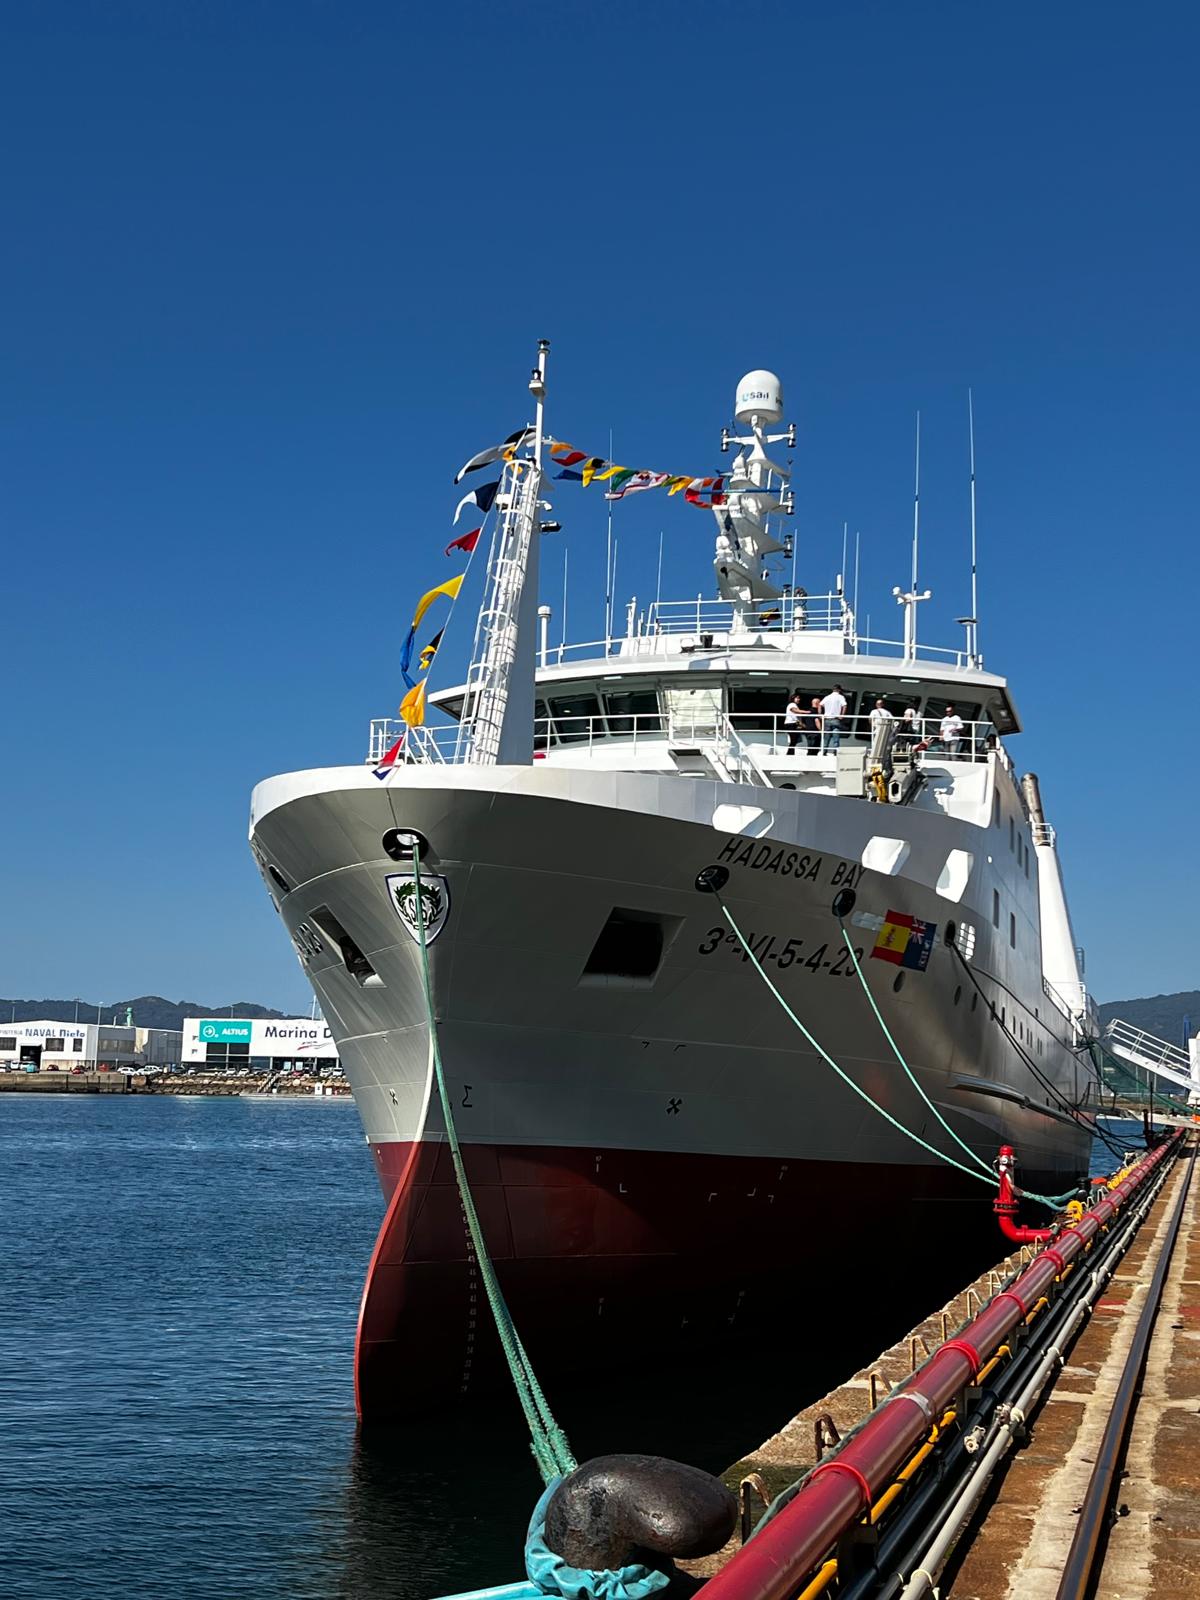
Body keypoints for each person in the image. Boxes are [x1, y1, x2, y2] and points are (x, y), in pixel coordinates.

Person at [820, 684, 847, 751]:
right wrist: (842, 715)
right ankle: (835, 752)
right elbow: (844, 705)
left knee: (826, 737)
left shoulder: (827, 697)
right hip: (835, 719)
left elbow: (820, 705)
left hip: (827, 719)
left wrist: (820, 715)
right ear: (839, 690)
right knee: (836, 737)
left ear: (833, 689)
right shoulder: (840, 697)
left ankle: (824, 751)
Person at [783, 690, 804, 754]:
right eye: (797, 698)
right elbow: (795, 711)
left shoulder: (795, 705)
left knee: (794, 740)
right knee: (793, 739)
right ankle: (790, 753)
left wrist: (800, 725)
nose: (799, 699)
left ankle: (791, 753)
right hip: (790, 724)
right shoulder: (792, 704)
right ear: (793, 698)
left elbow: (796, 717)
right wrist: (807, 712)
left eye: (799, 698)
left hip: (794, 723)